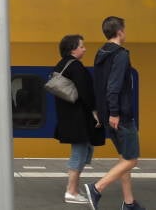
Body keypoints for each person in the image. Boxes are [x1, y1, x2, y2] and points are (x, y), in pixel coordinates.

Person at [84, 17, 145, 210]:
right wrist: (116, 112)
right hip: (120, 115)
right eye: (124, 29)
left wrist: (101, 111)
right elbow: (114, 86)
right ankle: (97, 188)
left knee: (123, 157)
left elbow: (98, 85)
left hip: (106, 113)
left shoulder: (100, 53)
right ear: (120, 31)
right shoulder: (120, 55)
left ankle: (129, 203)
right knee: (131, 159)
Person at [52, 35, 105, 205]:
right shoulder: (76, 67)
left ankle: (73, 189)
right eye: (82, 46)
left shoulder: (62, 65)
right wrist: (95, 110)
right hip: (78, 119)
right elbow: (86, 93)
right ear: (73, 49)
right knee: (80, 152)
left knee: (84, 150)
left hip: (69, 117)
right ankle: (71, 191)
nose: (85, 49)